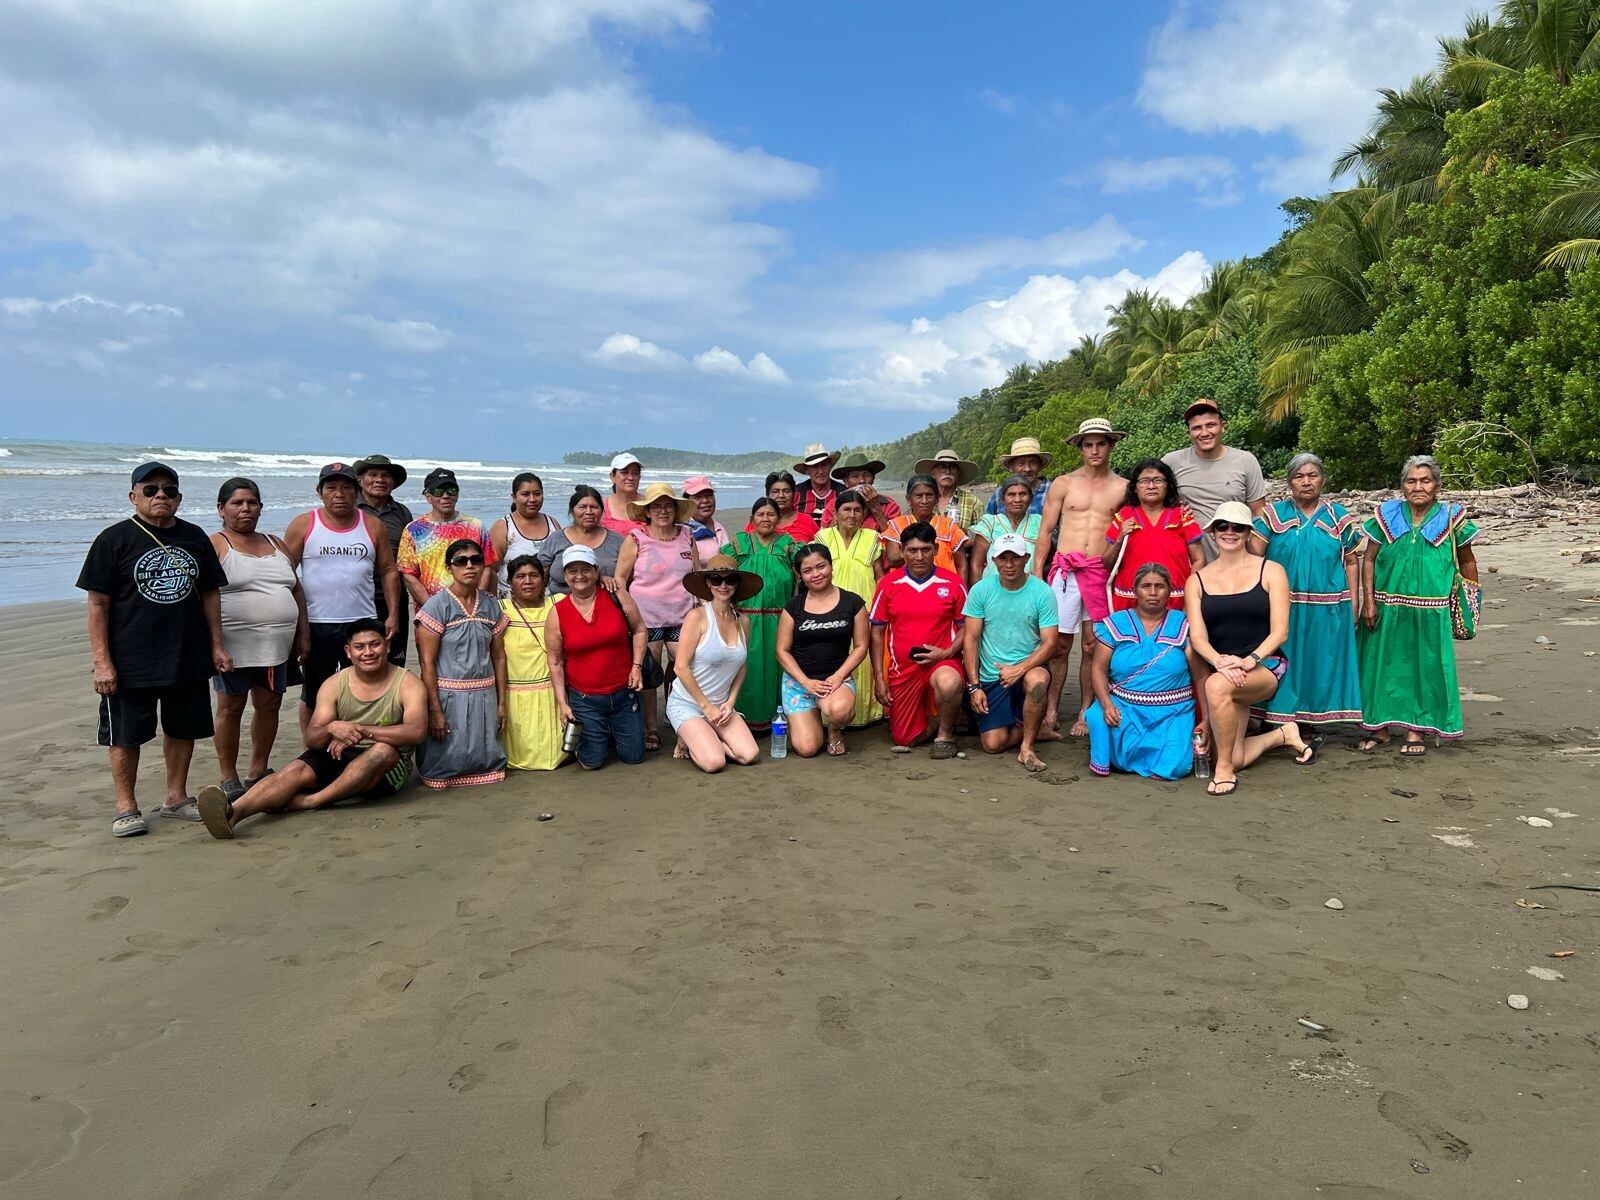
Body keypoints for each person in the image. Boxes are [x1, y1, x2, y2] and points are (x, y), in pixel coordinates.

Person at [78, 461, 232, 836]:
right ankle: (125, 807)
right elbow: (97, 604)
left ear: (179, 498)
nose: (160, 495)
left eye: (169, 490)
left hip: (187, 654)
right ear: (134, 496)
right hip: (131, 659)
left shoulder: (194, 537)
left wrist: (217, 646)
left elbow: (210, 594)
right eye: (150, 489)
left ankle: (176, 798)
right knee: (125, 734)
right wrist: (102, 662)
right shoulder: (113, 540)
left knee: (183, 729)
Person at [196, 619, 427, 839]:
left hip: (387, 768)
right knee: (295, 770)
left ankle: (313, 800)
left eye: (375, 644)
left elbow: (416, 732)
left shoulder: (408, 683)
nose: (368, 652)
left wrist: (359, 731)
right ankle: (233, 813)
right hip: (339, 752)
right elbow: (313, 739)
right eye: (360, 647)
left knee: (382, 751)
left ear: (387, 646)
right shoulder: (334, 684)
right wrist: (332, 728)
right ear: (348, 652)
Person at [1186, 502, 1317, 796]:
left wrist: (1249, 660)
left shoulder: (1271, 571)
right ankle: (1282, 734)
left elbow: (1280, 631)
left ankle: (1223, 771)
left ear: (1248, 532)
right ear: (1213, 532)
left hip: (1264, 665)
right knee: (1236, 755)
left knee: (1216, 687)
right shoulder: (1197, 580)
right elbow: (1198, 637)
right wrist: (1221, 662)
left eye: (1238, 527)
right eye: (1223, 526)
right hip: (1224, 668)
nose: (1229, 532)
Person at [1357, 455, 1480, 755]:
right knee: (1381, 667)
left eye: (1425, 481)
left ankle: (1417, 729)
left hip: (1431, 611)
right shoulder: (1386, 515)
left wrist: (1469, 601)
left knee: (1425, 669)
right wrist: (1368, 601)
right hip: (1387, 607)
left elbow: (1467, 561)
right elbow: (1369, 559)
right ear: (1403, 486)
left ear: (1437, 485)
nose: (1418, 487)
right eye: (1411, 481)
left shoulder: (1451, 518)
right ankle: (1379, 727)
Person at [283, 462, 400, 736]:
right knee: (314, 693)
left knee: (363, 688)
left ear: (357, 491)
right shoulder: (304, 524)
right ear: (320, 491)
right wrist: (296, 625)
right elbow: (285, 574)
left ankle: (357, 742)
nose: (339, 494)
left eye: (346, 488)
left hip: (362, 623)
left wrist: (393, 614)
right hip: (317, 623)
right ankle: (312, 747)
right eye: (331, 488)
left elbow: (388, 570)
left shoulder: (373, 525)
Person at [210, 477, 307, 802]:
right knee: (231, 707)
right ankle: (228, 776)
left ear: (261, 508)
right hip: (233, 646)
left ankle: (258, 769)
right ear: (221, 508)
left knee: (269, 704)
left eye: (252, 502)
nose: (245, 509)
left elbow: (296, 589)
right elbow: (204, 596)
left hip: (277, 645)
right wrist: (214, 644)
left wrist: (303, 633)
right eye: (237, 503)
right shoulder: (216, 544)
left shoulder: (276, 543)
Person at [1251, 453, 1364, 729]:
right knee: (1282, 658)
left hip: (1328, 605)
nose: (1306, 482)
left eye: (1312, 475)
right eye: (1299, 476)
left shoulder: (1338, 517)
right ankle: (1276, 717)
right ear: (1289, 482)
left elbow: (1351, 561)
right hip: (1282, 605)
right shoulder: (1273, 515)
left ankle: (1308, 720)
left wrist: (1354, 602)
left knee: (1318, 660)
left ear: (1323, 480)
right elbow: (1254, 557)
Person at [1033, 419, 1128, 737]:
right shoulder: (1064, 483)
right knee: (1058, 645)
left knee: (1091, 645)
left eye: (1101, 444)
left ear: (1111, 446)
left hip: (1101, 573)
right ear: (1080, 448)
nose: (1094, 450)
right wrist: (1037, 571)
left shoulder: (1123, 487)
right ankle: (1050, 709)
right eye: (1088, 444)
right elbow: (1046, 530)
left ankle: (1086, 712)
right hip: (1066, 572)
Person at [1083, 564, 1204, 780]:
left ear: (1170, 591)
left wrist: (1208, 720)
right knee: (1096, 715)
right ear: (1135, 591)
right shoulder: (1116, 624)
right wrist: (1107, 704)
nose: (1153, 592)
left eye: (1160, 586)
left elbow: (1201, 677)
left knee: (1176, 768)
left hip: (1172, 712)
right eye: (1146, 586)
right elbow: (1098, 669)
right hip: (1124, 708)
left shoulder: (1184, 626)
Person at [415, 538, 509, 789]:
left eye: (476, 560)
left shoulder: (490, 604)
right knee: (447, 756)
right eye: (461, 561)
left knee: (484, 752)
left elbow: (499, 656)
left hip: (484, 692)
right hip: (449, 694)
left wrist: (501, 701)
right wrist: (435, 709)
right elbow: (427, 663)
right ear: (449, 567)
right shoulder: (437, 606)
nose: (470, 566)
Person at [962, 533, 1060, 772]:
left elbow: (1050, 643)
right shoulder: (981, 590)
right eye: (1003, 558)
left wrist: (1020, 668)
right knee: (993, 744)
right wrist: (974, 687)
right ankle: (1034, 727)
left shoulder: (1042, 592)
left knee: (1037, 681)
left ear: (1026, 558)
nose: (1009, 564)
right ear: (993, 560)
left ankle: (1027, 747)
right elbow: (971, 639)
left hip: (1028, 666)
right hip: (992, 675)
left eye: (1015, 558)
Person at [869, 521, 968, 756]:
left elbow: (968, 628)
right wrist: (879, 678)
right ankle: (951, 716)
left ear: (936, 549)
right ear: (902, 551)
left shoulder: (953, 582)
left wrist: (947, 652)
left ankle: (946, 734)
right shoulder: (888, 584)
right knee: (905, 738)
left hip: (943, 661)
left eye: (926, 549)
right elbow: (877, 632)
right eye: (913, 550)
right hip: (904, 668)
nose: (920, 556)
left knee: (948, 683)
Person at [616, 482, 702, 750]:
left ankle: (679, 720)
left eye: (668, 506)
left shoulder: (687, 535)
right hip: (646, 619)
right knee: (649, 675)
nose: (663, 511)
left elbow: (697, 575)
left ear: (676, 510)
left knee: (687, 668)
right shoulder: (635, 538)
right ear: (647, 511)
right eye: (656, 507)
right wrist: (628, 610)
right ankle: (651, 728)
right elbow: (620, 579)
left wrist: (701, 608)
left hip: (683, 616)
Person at [548, 545, 649, 768]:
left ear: (596, 571)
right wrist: (563, 704)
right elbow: (555, 661)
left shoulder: (617, 596)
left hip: (624, 692)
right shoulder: (557, 612)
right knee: (592, 762)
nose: (579, 576)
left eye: (586, 569)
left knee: (634, 757)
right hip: (585, 699)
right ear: (565, 575)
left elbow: (640, 630)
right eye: (572, 571)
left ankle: (613, 731)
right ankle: (601, 733)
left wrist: (637, 666)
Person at [668, 555, 762, 772]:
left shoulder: (743, 621)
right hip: (689, 703)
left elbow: (742, 666)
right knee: (714, 763)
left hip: (721, 705)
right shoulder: (697, 617)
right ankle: (691, 737)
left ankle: (705, 738)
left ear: (737, 585)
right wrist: (706, 707)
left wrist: (731, 701)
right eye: (716, 579)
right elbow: (680, 666)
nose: (723, 585)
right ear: (708, 583)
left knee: (750, 755)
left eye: (730, 579)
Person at [776, 542, 870, 757]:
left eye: (821, 566)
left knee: (839, 711)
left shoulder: (853, 603)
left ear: (831, 565)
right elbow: (781, 651)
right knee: (807, 749)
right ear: (799, 575)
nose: (816, 574)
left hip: (835, 680)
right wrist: (805, 682)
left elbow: (861, 646)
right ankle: (804, 723)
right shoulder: (793, 607)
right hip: (800, 684)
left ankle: (834, 731)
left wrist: (838, 677)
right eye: (808, 570)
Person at [722, 498, 798, 730]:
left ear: (778, 519)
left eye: (771, 514)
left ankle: (778, 718)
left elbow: (808, 565)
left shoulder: (788, 545)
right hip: (744, 620)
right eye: (760, 514)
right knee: (746, 668)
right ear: (752, 519)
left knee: (777, 668)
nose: (766, 519)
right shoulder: (739, 544)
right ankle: (742, 719)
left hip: (779, 620)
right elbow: (718, 570)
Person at [1162, 399, 1267, 559]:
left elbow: (1259, 513)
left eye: (1210, 425)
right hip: (1187, 561)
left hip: (1235, 559)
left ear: (1223, 426)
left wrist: (1255, 554)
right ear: (1188, 432)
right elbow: (1151, 501)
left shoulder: (1246, 461)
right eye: (1197, 428)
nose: (1204, 433)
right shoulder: (1171, 462)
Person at [817, 490, 885, 727]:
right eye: (846, 509)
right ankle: (831, 712)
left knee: (861, 653)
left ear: (864, 514)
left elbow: (879, 574)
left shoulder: (872, 537)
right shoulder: (823, 537)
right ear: (835, 513)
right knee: (832, 654)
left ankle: (863, 714)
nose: (852, 515)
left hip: (864, 605)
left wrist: (877, 607)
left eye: (857, 510)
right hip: (829, 606)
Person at [1103, 459, 1204, 611]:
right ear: (1135, 488)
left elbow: (1199, 559)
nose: (1151, 486)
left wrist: (1191, 595)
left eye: (1158, 481)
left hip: (1175, 602)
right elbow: (1106, 565)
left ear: (1167, 486)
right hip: (1130, 602)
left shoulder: (1181, 515)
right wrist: (1119, 539)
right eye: (1144, 481)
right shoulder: (1124, 515)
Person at [500, 556, 567, 771]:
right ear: (510, 583)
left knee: (556, 751)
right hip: (515, 696)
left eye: (533, 575)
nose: (527, 581)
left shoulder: (558, 604)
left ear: (543, 580)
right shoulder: (500, 610)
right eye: (520, 576)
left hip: (553, 693)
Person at [397, 467, 498, 604]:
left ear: (457, 494)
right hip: (431, 609)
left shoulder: (476, 526)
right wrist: (432, 608)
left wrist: (475, 601)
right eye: (438, 491)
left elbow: (487, 565)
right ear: (428, 496)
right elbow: (408, 574)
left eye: (451, 490)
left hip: (472, 608)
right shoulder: (413, 530)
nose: (445, 496)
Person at [354, 454, 413, 665]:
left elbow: (410, 556)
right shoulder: (349, 509)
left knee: (394, 659)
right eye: (373, 474)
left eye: (386, 476)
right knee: (360, 660)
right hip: (357, 597)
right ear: (360, 479)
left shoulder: (402, 512)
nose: (379, 480)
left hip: (394, 597)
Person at [487, 472, 564, 595]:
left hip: (549, 599)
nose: (532, 499)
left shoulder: (553, 524)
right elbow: (490, 571)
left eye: (537, 494)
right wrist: (491, 602)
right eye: (525, 494)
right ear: (514, 497)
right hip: (511, 601)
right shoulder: (503, 527)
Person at [544, 485, 626, 596]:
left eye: (594, 507)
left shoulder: (617, 541)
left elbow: (628, 579)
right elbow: (542, 575)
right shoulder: (556, 539)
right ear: (572, 511)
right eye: (582, 507)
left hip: (606, 602)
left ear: (602, 511)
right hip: (560, 602)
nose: (589, 512)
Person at [884, 474, 969, 577]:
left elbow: (961, 565)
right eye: (919, 496)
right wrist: (925, 550)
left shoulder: (948, 525)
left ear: (937, 498)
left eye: (929, 495)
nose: (924, 501)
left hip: (944, 585)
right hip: (905, 585)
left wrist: (960, 586)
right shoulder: (896, 525)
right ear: (908, 499)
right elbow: (892, 559)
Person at [971, 474, 1042, 582]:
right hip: (992, 587)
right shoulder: (990, 523)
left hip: (1030, 586)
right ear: (1002, 498)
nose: (1017, 499)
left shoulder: (1039, 522)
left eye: (1023, 494)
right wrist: (977, 590)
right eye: (1011, 495)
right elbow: (976, 565)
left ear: (1031, 498)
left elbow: (1049, 560)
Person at [830, 452, 902, 530]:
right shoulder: (833, 505)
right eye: (855, 476)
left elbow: (895, 535)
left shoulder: (890, 506)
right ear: (845, 482)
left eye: (866, 475)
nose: (862, 481)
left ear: (873, 479)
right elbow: (826, 535)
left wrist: (876, 508)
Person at [916, 448, 983, 530]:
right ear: (933, 473)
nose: (948, 472)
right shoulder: (923, 501)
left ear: (958, 474)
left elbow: (981, 534)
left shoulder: (973, 503)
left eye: (953, 468)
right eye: (942, 467)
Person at [985, 437, 1051, 515]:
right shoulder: (1000, 493)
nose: (1027, 469)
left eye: (1033, 463)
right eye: (1021, 464)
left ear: (1040, 466)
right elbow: (987, 520)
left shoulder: (1052, 491)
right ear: (1011, 467)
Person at [752, 471, 819, 543]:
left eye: (786, 491)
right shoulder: (757, 522)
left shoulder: (807, 521)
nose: (781, 496)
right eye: (775, 491)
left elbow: (820, 547)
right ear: (768, 495)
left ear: (793, 494)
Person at [793, 443, 841, 528]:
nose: (820, 471)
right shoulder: (796, 493)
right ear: (807, 470)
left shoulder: (842, 492)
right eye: (815, 466)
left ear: (830, 466)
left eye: (824, 465)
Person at [682, 475, 730, 548]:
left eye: (709, 495)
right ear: (686, 502)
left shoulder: (719, 527)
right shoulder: (683, 531)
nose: (705, 500)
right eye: (698, 497)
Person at [602, 452, 644, 534]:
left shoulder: (650, 505)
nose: (631, 477)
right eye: (625, 472)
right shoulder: (602, 507)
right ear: (612, 476)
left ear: (639, 477)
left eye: (635, 473)